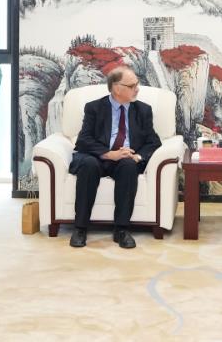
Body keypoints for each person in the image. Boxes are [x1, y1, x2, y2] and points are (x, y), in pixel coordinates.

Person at [69, 66, 161, 249]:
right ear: (117, 88)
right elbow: (84, 140)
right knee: (88, 164)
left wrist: (138, 156)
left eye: (137, 84)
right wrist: (109, 154)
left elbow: (153, 141)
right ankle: (80, 228)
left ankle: (121, 229)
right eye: (132, 85)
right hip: (98, 157)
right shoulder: (94, 108)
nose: (137, 89)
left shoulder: (143, 110)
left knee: (129, 166)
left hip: (125, 158)